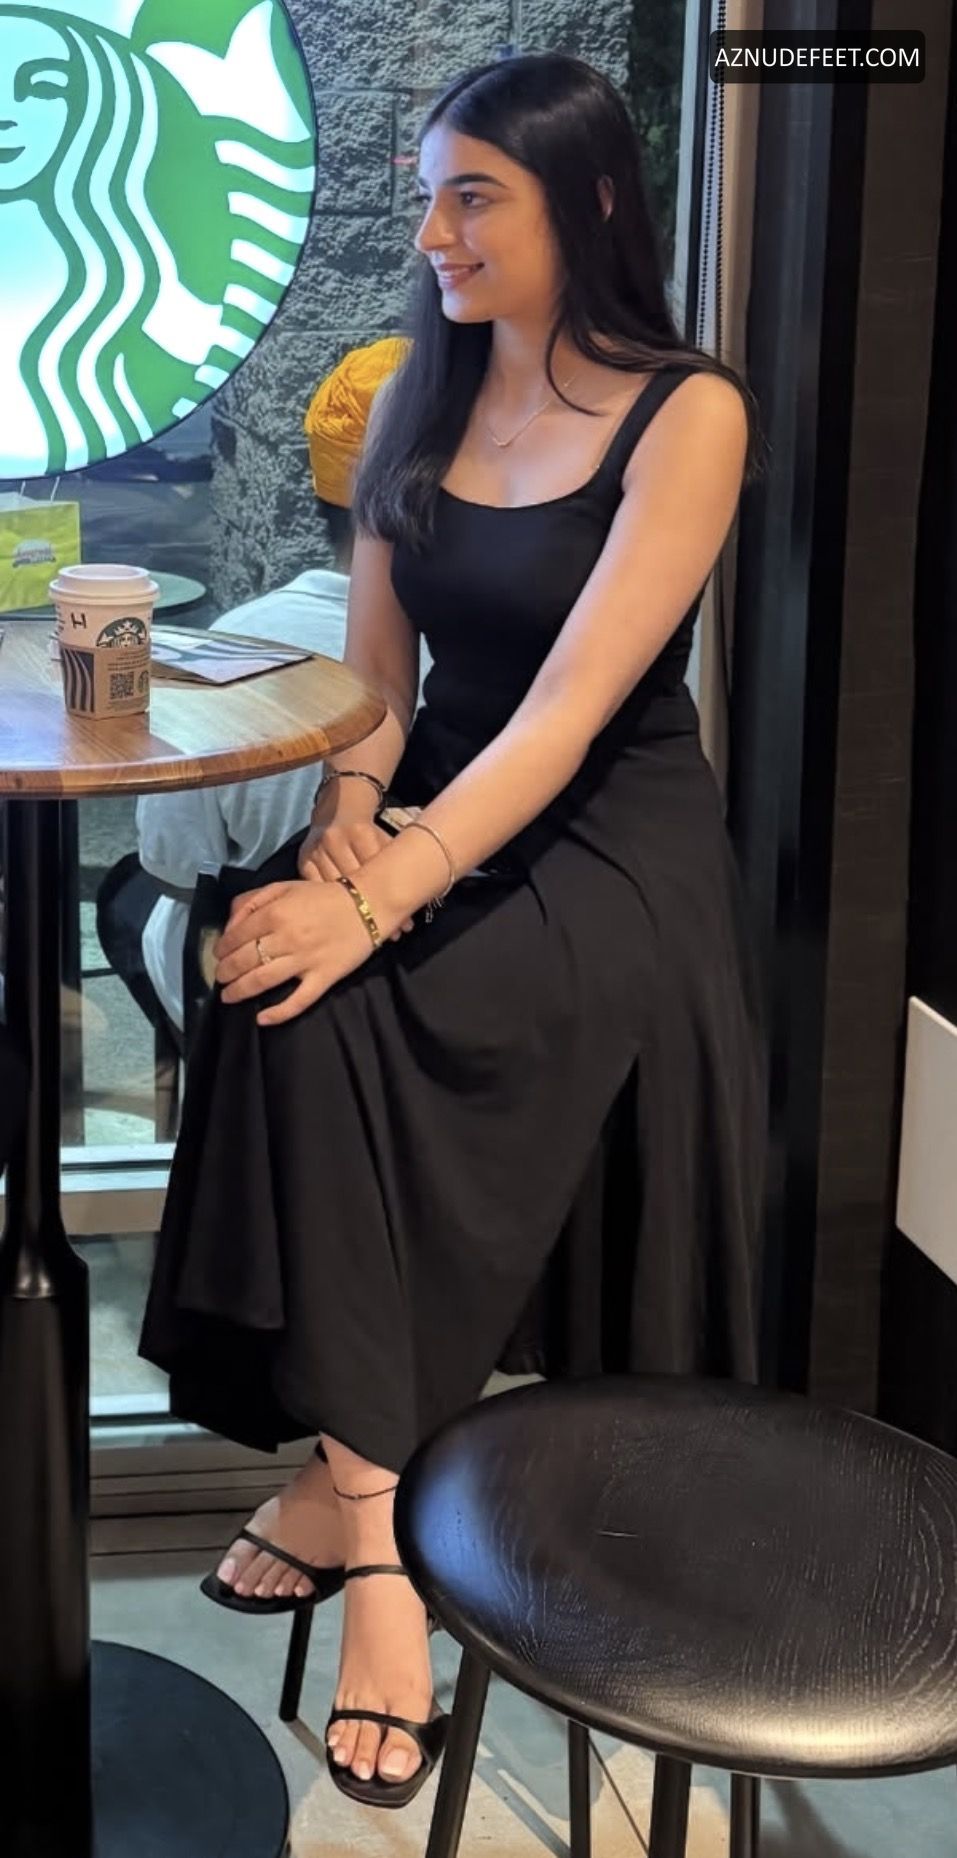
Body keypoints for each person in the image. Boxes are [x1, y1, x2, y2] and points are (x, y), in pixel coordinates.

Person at [140, 51, 768, 1809]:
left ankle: (378, 1558)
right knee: (264, 963)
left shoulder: (686, 412)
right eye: (430, 196)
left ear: (594, 203)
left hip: (609, 845)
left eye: (473, 197)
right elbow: (379, 680)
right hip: (432, 809)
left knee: (328, 993)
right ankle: (362, 1477)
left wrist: (376, 895)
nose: (434, 234)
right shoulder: (418, 393)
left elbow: (564, 718)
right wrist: (344, 830)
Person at [97, 338, 411, 1040]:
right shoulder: (510, 664)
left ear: (319, 492)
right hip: (446, 970)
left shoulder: (237, 642)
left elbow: (174, 864)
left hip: (257, 993)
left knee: (137, 896)